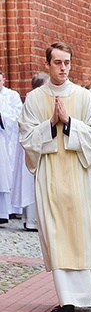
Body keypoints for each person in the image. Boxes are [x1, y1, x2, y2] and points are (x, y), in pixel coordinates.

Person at [18, 42, 91, 312]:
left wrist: (70, 122)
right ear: (48, 64)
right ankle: (68, 299)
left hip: (79, 176)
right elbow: (26, 138)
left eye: (67, 62)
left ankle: (88, 293)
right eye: (58, 62)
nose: (63, 68)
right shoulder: (35, 98)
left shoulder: (84, 98)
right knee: (58, 234)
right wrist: (50, 123)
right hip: (50, 175)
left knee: (83, 232)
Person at [11, 72, 49, 231]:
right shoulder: (34, 102)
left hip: (37, 147)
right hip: (34, 148)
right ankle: (33, 220)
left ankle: (32, 220)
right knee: (34, 185)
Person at [0, 70, 24, 223]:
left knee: (8, 174)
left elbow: (18, 115)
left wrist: (2, 117)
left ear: (4, 80)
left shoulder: (12, 96)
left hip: (8, 139)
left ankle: (11, 210)